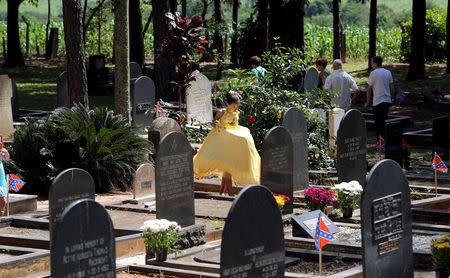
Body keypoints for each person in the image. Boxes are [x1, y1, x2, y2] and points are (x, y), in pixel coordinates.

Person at [193, 91, 260, 196]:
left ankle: (221, 192)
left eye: (237, 105)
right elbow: (213, 123)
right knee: (226, 166)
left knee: (227, 166)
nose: (236, 108)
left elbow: (235, 126)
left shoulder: (236, 113)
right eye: (234, 105)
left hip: (231, 141)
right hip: (221, 140)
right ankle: (230, 193)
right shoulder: (222, 112)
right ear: (228, 104)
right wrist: (215, 123)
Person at [365, 56, 394, 138]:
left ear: (375, 63)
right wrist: (392, 98)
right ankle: (383, 139)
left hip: (378, 101)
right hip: (387, 100)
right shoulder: (388, 72)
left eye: (371, 62)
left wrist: (367, 101)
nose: (371, 64)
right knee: (382, 120)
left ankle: (381, 141)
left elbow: (369, 89)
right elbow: (392, 87)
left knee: (378, 122)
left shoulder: (373, 73)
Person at [0, 137, 9, 215]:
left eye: (0, 140)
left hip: (0, 175)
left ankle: (1, 212)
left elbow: (6, 159)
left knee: (3, 198)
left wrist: (6, 153)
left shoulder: (2, 151)